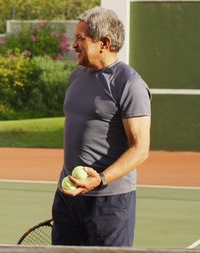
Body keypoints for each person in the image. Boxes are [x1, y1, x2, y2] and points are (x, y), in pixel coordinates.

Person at [52, 7, 151, 247]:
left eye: (80, 39)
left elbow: (140, 149)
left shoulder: (129, 84)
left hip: (110, 203)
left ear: (104, 43)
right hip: (68, 197)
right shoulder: (76, 76)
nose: (73, 44)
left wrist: (101, 179)